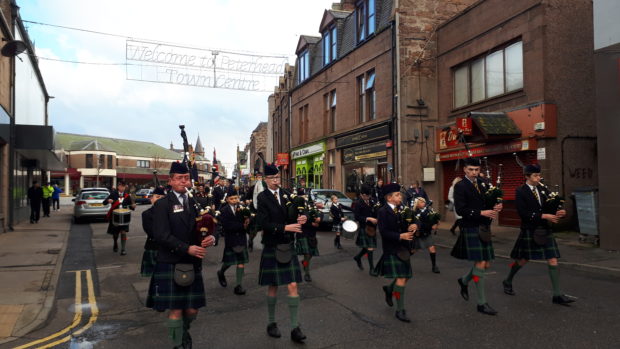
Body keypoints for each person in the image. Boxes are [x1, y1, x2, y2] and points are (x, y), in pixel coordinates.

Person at [146, 161, 215, 348]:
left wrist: (211, 238)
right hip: (171, 261)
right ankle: (177, 342)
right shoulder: (162, 205)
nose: (184, 182)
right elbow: (161, 235)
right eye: (179, 178)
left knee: (192, 310)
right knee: (176, 310)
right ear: (170, 181)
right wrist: (187, 248)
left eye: (186, 178)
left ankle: (184, 330)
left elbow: (208, 227)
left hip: (192, 262)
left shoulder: (196, 203)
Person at [502, 164, 575, 305]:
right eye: (535, 175)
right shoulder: (520, 191)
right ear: (527, 176)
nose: (538, 178)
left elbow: (550, 207)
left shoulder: (543, 189)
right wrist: (544, 216)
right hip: (530, 229)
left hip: (545, 229)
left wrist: (559, 212)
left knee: (553, 259)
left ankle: (557, 295)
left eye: (539, 175)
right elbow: (523, 214)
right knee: (523, 259)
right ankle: (508, 280)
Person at [257, 163, 307, 343]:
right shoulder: (262, 198)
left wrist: (303, 216)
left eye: (278, 178)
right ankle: (271, 323)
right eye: (272, 178)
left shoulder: (287, 195)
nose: (276, 181)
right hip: (272, 245)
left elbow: (297, 211)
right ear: (266, 180)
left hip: (288, 244)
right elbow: (264, 224)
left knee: (293, 285)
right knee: (273, 285)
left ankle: (295, 327)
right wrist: (285, 227)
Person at [451, 157, 503, 316]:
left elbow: (490, 202)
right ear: (465, 170)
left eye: (476, 170)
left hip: (484, 227)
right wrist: (481, 212)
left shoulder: (484, 183)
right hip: (471, 227)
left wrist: (497, 206)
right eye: (471, 170)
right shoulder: (460, 186)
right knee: (480, 263)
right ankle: (482, 303)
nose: (474, 173)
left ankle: (464, 280)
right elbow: (460, 210)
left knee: (485, 264)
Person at [374, 182, 417, 322]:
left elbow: (416, 220)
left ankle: (389, 289)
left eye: (400, 194)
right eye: (397, 195)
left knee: (406, 276)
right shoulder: (383, 212)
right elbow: (384, 232)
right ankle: (400, 310)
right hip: (392, 249)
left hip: (404, 248)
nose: (400, 197)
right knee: (401, 278)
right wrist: (400, 236)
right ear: (389, 198)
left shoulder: (403, 209)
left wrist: (415, 225)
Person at [217, 187, 251, 295]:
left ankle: (238, 286)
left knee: (241, 262)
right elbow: (227, 226)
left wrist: (249, 220)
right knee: (229, 262)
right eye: (232, 199)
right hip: (231, 239)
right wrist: (243, 225)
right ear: (227, 199)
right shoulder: (224, 211)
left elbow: (249, 219)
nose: (235, 200)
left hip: (241, 238)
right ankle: (221, 272)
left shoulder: (243, 208)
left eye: (236, 198)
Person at [104, 181, 136, 255]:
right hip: (115, 217)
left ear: (125, 187)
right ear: (118, 186)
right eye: (121, 186)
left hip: (124, 218)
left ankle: (123, 249)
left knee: (123, 232)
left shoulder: (127, 196)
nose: (122, 188)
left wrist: (133, 206)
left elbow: (131, 206)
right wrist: (108, 200)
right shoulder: (113, 194)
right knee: (115, 234)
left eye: (123, 187)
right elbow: (104, 202)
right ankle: (115, 243)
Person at [140, 187, 166, 277]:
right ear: (152, 199)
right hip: (153, 248)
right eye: (157, 197)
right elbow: (152, 233)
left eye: (162, 197)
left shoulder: (171, 212)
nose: (160, 199)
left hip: (169, 250)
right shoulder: (146, 214)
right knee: (155, 280)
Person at [353, 184, 379, 275]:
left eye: (369, 196)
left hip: (372, 228)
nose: (368, 197)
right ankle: (372, 269)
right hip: (364, 227)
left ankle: (357, 257)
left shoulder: (372, 201)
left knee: (367, 247)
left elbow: (375, 212)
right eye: (366, 196)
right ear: (362, 194)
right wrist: (368, 218)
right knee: (370, 247)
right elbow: (357, 217)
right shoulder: (358, 203)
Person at [294, 195, 321, 282]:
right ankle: (307, 273)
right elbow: (300, 220)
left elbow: (318, 216)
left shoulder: (312, 206)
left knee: (311, 254)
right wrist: (311, 224)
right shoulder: (298, 207)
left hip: (312, 234)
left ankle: (304, 263)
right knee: (307, 254)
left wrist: (318, 221)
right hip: (303, 234)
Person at [412, 197, 440, 273]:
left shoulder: (428, 210)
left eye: (424, 202)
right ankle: (403, 262)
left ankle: (434, 266)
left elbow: (433, 219)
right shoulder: (414, 213)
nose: (424, 203)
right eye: (421, 202)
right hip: (418, 234)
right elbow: (420, 224)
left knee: (432, 248)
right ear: (417, 204)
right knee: (413, 251)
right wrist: (430, 226)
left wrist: (435, 223)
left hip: (426, 233)